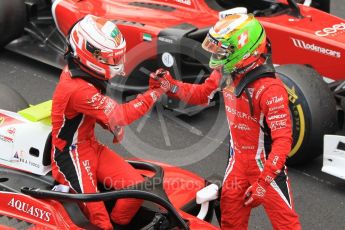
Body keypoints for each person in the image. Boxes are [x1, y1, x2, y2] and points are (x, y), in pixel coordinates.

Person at [149, 13, 301, 229]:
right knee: (230, 221)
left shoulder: (270, 89)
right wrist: (171, 86)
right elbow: (202, 94)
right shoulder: (225, 72)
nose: (218, 56)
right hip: (237, 161)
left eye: (224, 50)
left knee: (286, 225)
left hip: (264, 167)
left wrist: (263, 182)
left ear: (244, 49)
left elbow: (283, 141)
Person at [51, 15, 170, 230]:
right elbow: (121, 116)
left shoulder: (80, 71)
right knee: (99, 220)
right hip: (71, 155)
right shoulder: (78, 89)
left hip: (89, 145)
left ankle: (119, 226)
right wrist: (155, 92)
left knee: (137, 189)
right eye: (112, 58)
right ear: (91, 56)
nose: (118, 63)